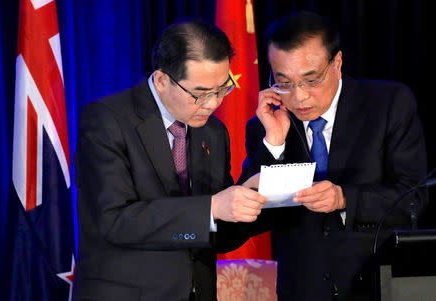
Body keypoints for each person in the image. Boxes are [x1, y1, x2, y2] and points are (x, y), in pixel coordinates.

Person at [239, 11, 428, 301]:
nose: (299, 97)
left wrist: (344, 199)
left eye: (311, 80)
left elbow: (414, 199)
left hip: (380, 286)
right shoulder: (263, 126)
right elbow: (249, 218)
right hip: (303, 291)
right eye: (284, 82)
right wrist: (273, 145)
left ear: (337, 63)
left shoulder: (388, 104)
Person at [73, 19, 266, 301]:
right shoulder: (106, 120)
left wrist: (252, 200)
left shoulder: (213, 132)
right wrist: (211, 208)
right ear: (162, 80)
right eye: (200, 94)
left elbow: (216, 236)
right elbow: (113, 221)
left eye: (222, 89)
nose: (212, 104)